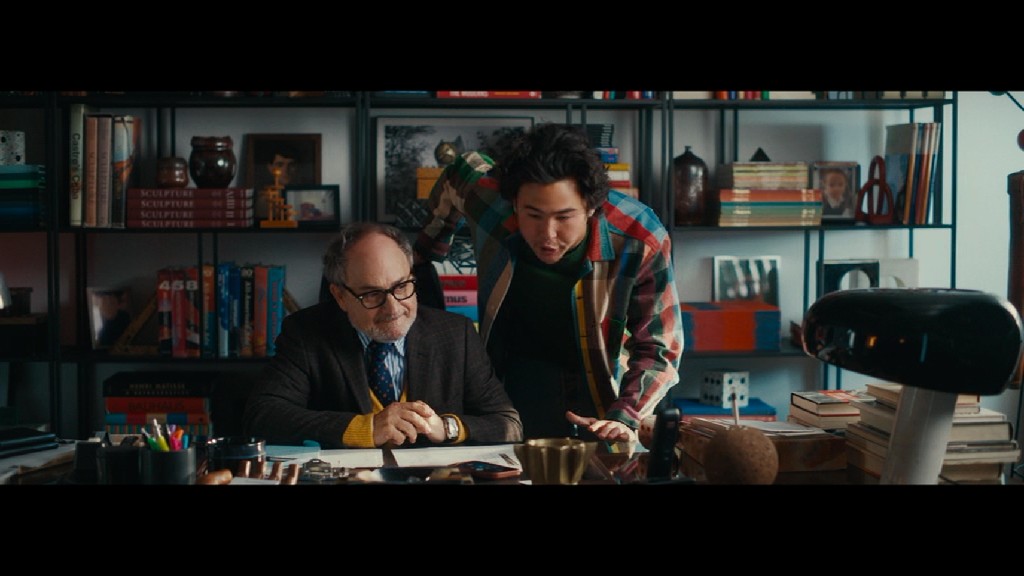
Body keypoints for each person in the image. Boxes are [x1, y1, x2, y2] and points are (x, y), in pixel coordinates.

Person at [414, 122, 683, 445]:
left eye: (564, 217)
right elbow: (460, 169)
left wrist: (624, 416)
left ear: (591, 206)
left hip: (600, 381)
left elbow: (658, 348)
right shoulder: (489, 201)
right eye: (533, 215)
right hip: (513, 372)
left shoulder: (640, 237)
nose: (548, 235)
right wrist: (423, 253)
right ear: (514, 203)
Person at [242, 222, 523, 448]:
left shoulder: (456, 334)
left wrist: (446, 428)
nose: (393, 308)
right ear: (340, 296)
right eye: (372, 294)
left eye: (402, 287)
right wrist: (365, 429)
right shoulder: (306, 333)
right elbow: (263, 416)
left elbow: (509, 424)